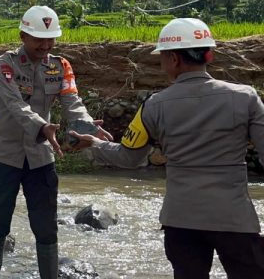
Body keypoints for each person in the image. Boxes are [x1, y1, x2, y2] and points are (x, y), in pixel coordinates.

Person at [69, 18, 264, 279]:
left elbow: (128, 157)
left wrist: (95, 143)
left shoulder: (154, 105)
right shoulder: (246, 97)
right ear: (208, 54)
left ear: (173, 59)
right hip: (235, 219)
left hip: (181, 221)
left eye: (161, 57)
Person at [0, 6, 105, 279]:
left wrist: (85, 125)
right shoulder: (5, 64)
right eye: (39, 39)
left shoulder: (61, 66)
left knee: (46, 228)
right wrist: (42, 126)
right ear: (23, 35)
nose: (46, 46)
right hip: (4, 157)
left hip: (40, 158)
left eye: (51, 40)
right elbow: (14, 104)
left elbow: (72, 101)